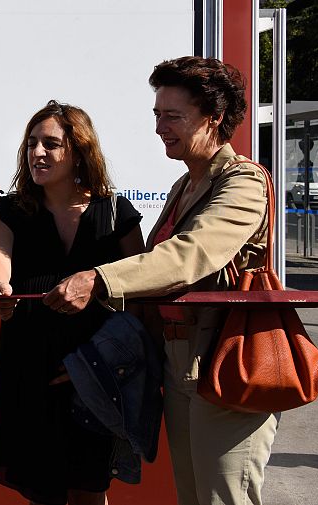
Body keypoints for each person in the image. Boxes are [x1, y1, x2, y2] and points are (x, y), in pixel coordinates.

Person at [48, 56, 277, 505]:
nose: (159, 128)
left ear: (214, 118)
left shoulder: (243, 182)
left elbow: (190, 256)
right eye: (157, 114)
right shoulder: (184, 186)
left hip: (228, 364)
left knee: (223, 498)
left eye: (173, 116)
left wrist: (98, 278)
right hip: (180, 365)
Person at [0, 100, 146, 505]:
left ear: (79, 151)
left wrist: (112, 364)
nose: (37, 153)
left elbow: (141, 287)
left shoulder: (116, 213)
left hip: (98, 369)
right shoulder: (10, 209)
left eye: (51, 144)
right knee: (42, 490)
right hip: (31, 367)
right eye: (31, 144)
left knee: (91, 488)